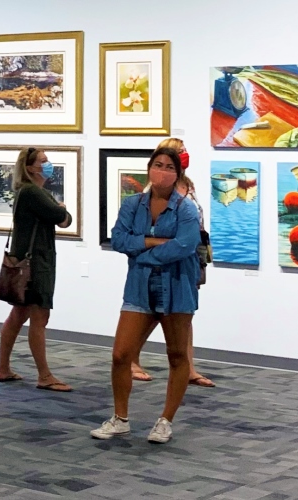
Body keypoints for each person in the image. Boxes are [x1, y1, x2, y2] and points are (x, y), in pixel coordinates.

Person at [91, 147, 200, 443]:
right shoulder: (132, 204)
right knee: (120, 354)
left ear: (177, 173)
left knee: (177, 356)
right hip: (139, 288)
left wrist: (142, 254)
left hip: (176, 288)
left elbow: (185, 246)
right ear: (149, 168)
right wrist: (152, 241)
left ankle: (165, 421)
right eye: (157, 165)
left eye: (168, 167)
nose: (162, 171)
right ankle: (120, 418)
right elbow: (120, 239)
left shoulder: (186, 209)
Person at [131, 138, 215, 388]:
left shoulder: (188, 185)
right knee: (154, 313)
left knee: (184, 313)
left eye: (183, 151)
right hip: (166, 258)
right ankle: (131, 359)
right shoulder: (153, 191)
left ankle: (188, 367)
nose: (183, 155)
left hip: (192, 256)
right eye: (178, 152)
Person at [0, 147, 74, 392]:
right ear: (30, 167)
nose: (47, 164)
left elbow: (65, 219)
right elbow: (61, 215)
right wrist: (60, 208)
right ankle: (44, 375)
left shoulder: (31, 192)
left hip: (30, 261)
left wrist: (60, 212)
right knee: (39, 317)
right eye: (43, 161)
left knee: (19, 314)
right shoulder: (32, 192)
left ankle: (4, 368)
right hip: (36, 264)